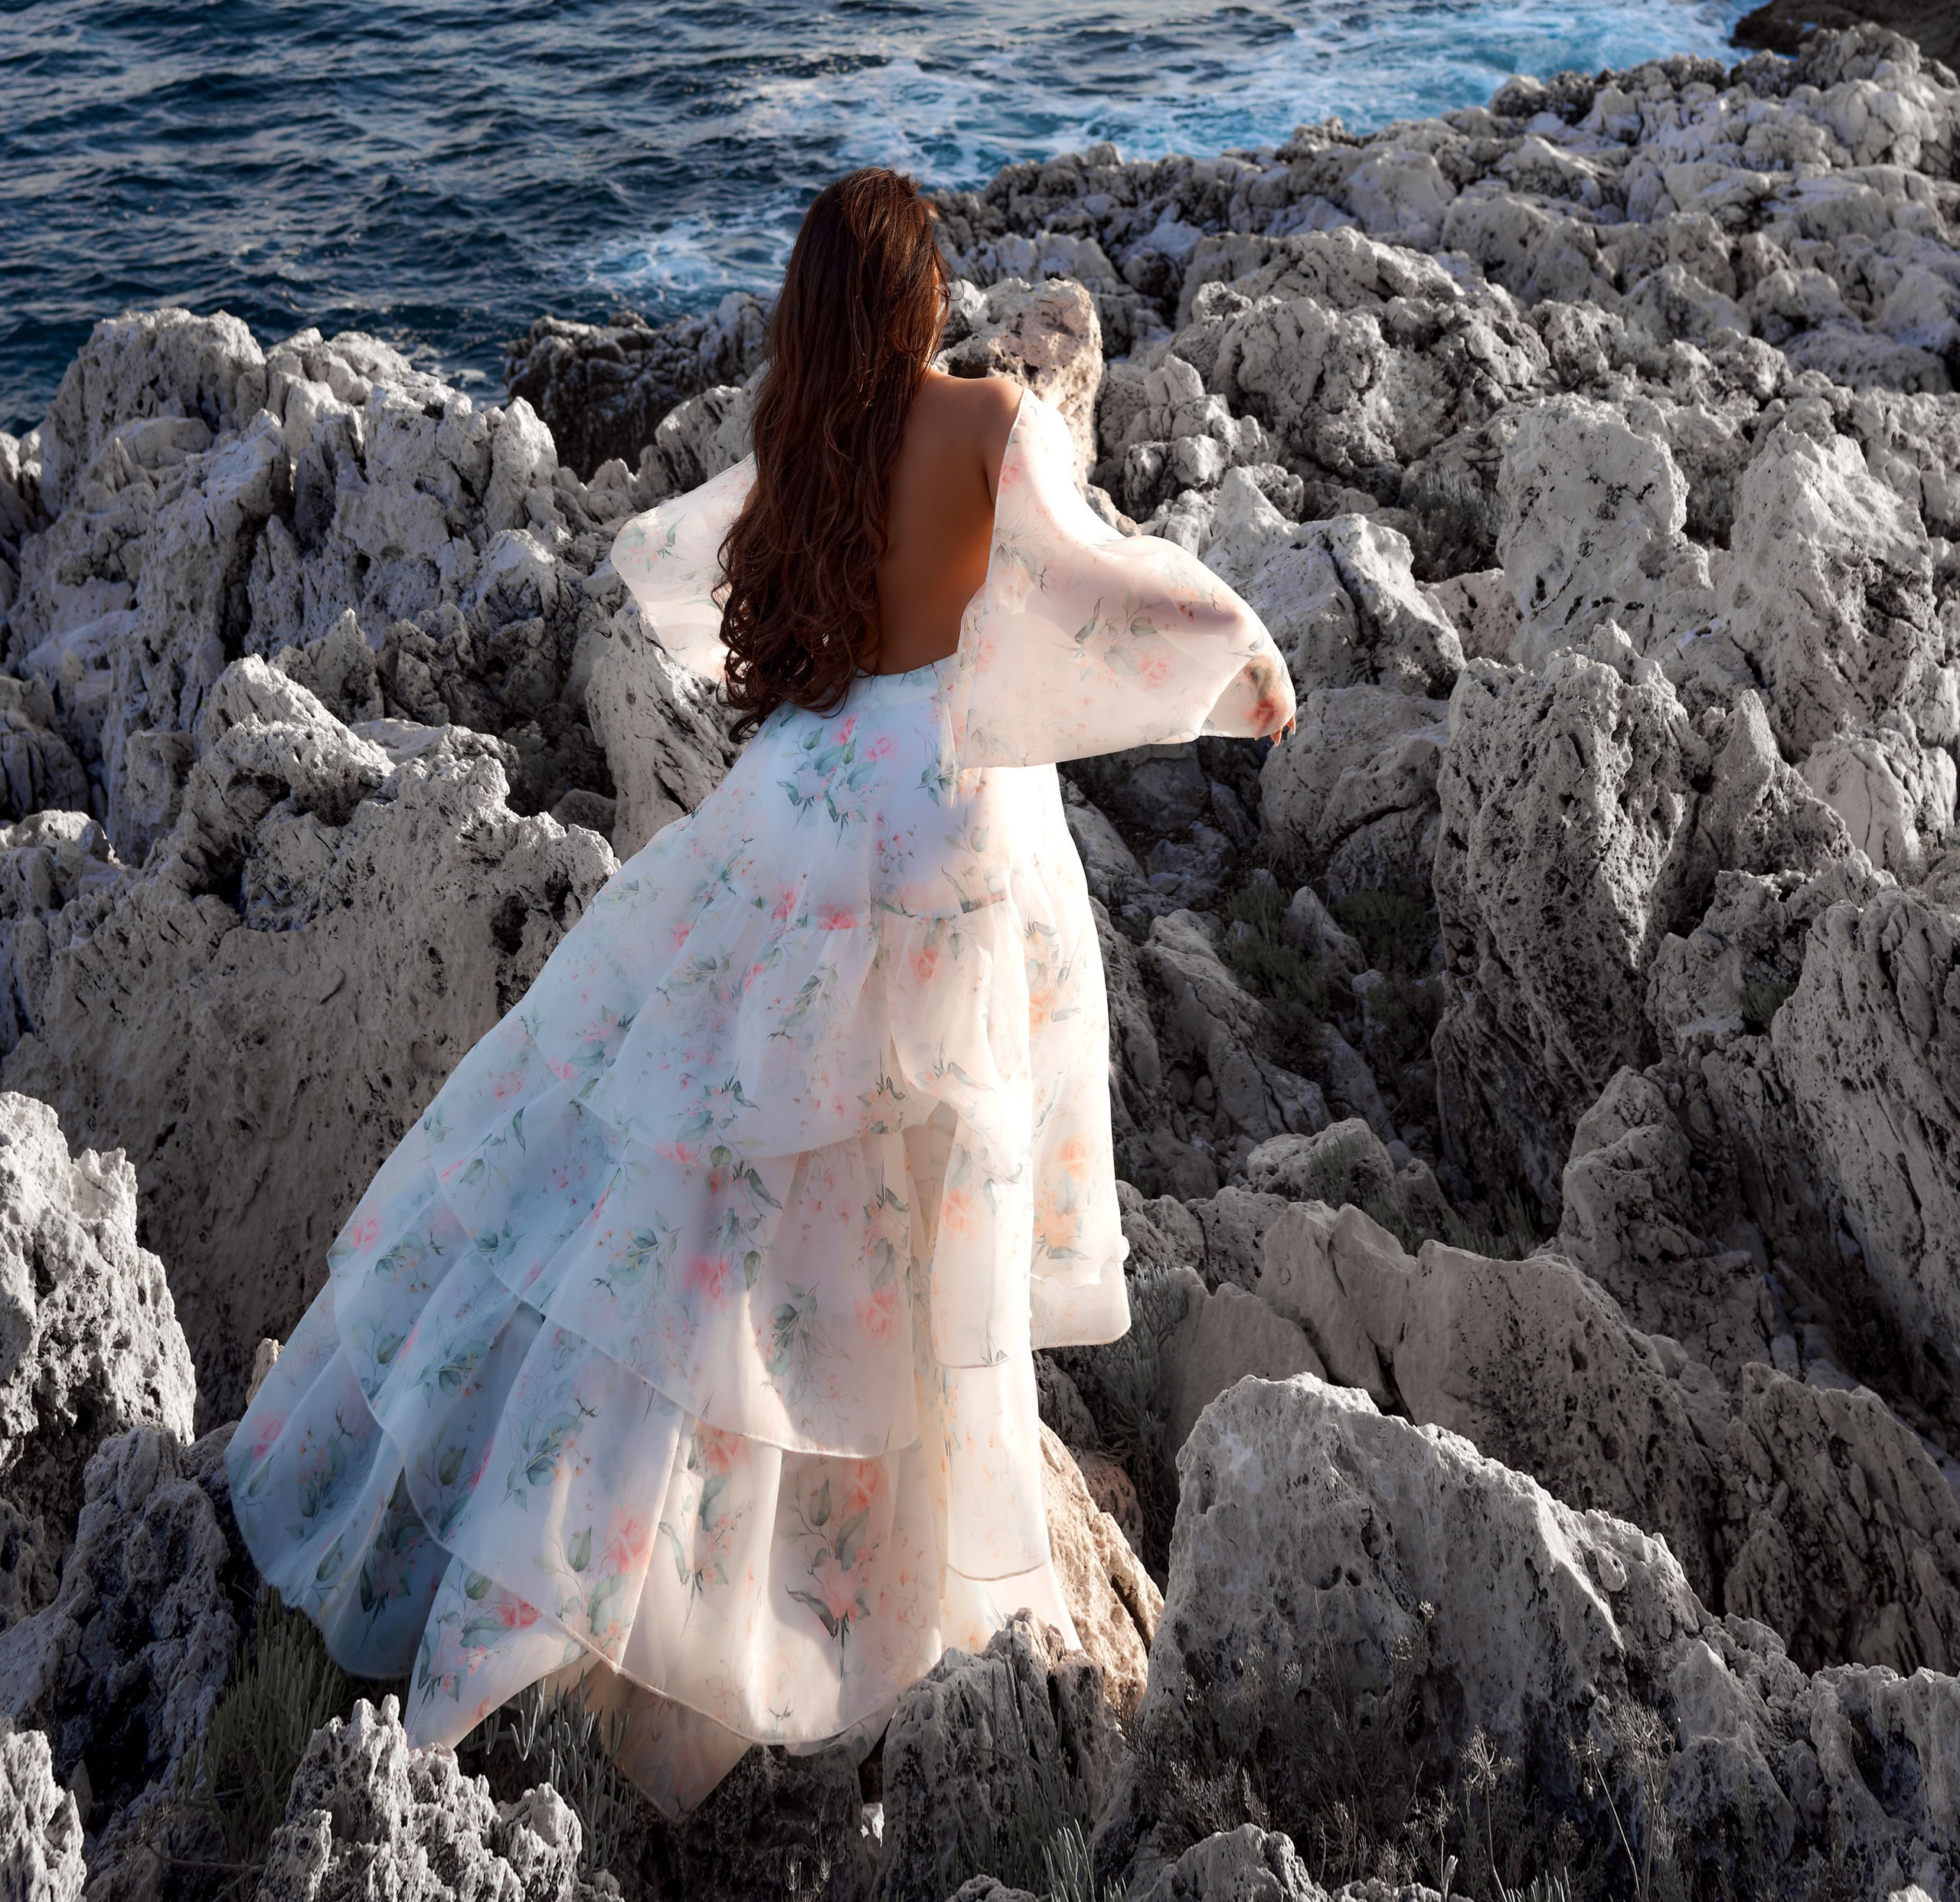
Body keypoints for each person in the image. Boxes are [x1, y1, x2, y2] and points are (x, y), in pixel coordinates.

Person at [227, 168, 1295, 1815]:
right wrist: (1243, 656)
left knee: (704, 1185)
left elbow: (676, 572)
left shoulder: (809, 437)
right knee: (893, 1195)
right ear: (921, 291)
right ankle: (852, 1575)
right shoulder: (988, 418)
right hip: (943, 828)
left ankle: (581, 1535)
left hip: (801, 800)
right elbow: (1099, 584)